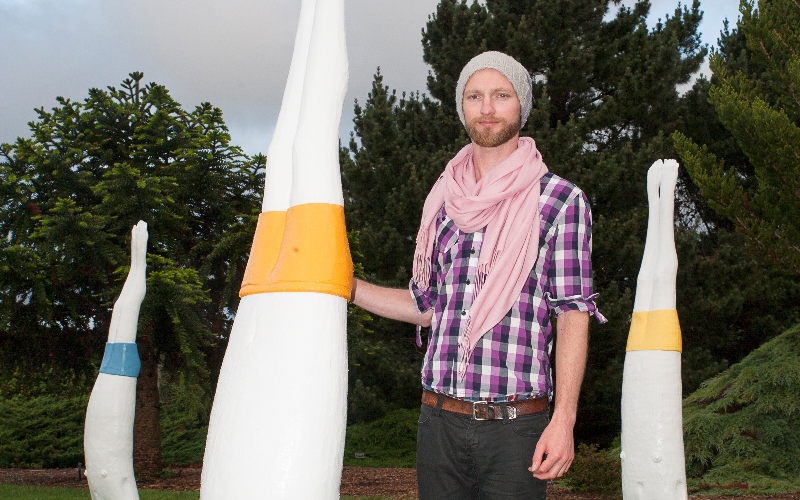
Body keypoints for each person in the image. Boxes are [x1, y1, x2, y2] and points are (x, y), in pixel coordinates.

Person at [351, 51, 606, 499]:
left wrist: (563, 420)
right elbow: (428, 307)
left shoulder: (561, 201)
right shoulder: (444, 202)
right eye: (475, 96)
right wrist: (345, 287)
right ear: (462, 107)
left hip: (515, 430)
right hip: (438, 423)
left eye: (501, 95)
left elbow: (572, 315)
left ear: (520, 106)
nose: (487, 108)